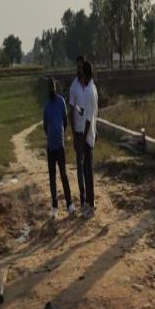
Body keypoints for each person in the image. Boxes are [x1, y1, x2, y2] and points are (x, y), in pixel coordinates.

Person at [43, 78, 74, 219]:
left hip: (60, 146)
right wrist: (51, 134)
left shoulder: (61, 101)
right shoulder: (46, 107)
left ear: (56, 88)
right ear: (48, 90)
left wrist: (60, 132)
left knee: (64, 175)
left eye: (53, 87)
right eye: (50, 88)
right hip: (50, 147)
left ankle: (69, 204)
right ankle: (55, 206)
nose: (52, 90)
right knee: (52, 178)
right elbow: (45, 126)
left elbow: (65, 120)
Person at [69, 55, 86, 207]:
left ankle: (89, 197)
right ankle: (83, 198)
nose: (79, 69)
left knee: (88, 165)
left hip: (88, 131)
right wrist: (74, 135)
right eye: (77, 67)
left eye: (81, 67)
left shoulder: (89, 84)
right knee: (80, 167)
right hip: (79, 133)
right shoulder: (73, 87)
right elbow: (71, 112)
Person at [82, 61, 98, 219]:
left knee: (87, 172)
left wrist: (83, 138)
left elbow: (88, 119)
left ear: (85, 75)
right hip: (92, 134)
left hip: (87, 137)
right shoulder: (93, 88)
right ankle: (89, 202)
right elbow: (95, 113)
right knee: (87, 170)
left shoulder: (87, 91)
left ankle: (91, 205)